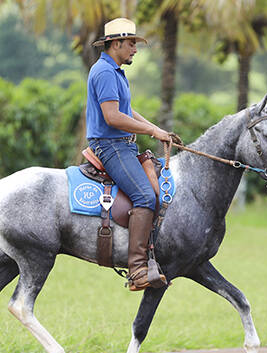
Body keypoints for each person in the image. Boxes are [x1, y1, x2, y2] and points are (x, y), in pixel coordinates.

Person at [86, 18, 178, 291]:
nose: (135, 50)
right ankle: (137, 269)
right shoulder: (103, 72)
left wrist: (156, 128)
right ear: (115, 44)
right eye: (131, 44)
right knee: (144, 196)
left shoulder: (115, 71)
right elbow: (113, 117)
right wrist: (152, 131)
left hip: (123, 145)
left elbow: (125, 110)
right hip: (110, 145)